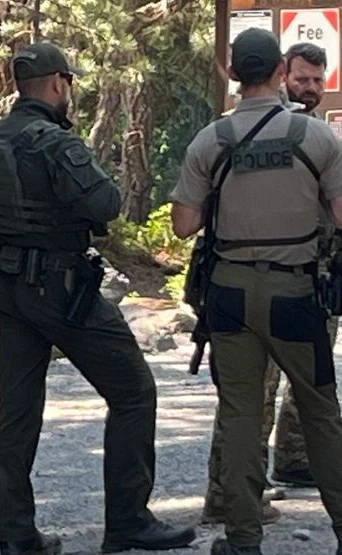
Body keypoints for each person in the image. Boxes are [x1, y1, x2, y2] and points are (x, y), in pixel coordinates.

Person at [0, 42, 196, 555]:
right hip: (60, 288)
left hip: (6, 290)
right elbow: (106, 203)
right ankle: (127, 523)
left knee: (17, 411)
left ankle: (17, 537)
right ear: (58, 83)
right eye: (69, 83)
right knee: (133, 391)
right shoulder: (56, 143)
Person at [170, 28, 342, 554]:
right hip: (297, 294)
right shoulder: (318, 138)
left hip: (229, 295)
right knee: (321, 411)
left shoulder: (211, 140)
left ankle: (242, 539)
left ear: (232, 74)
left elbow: (183, 224)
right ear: (279, 72)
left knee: (240, 414)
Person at [270, 42, 335, 488]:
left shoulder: (319, 131)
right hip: (273, 269)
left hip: (319, 271)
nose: (310, 88)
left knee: (313, 373)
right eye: (301, 79)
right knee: (260, 384)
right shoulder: (267, 127)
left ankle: (294, 458)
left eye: (317, 80)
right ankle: (239, 486)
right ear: (283, 77)